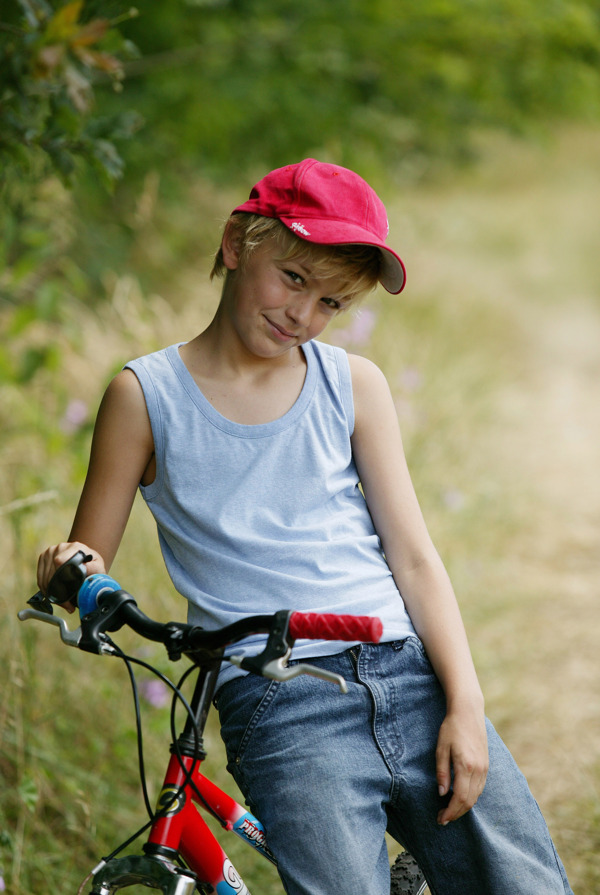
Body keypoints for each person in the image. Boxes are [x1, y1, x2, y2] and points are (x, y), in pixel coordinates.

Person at [37, 159, 572, 894]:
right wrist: (70, 566)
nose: (302, 315)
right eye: (292, 278)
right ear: (235, 243)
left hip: (407, 670)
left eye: (330, 302)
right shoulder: (145, 396)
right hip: (277, 697)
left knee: (525, 881)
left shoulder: (352, 385)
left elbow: (413, 557)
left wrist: (465, 703)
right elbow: (89, 553)